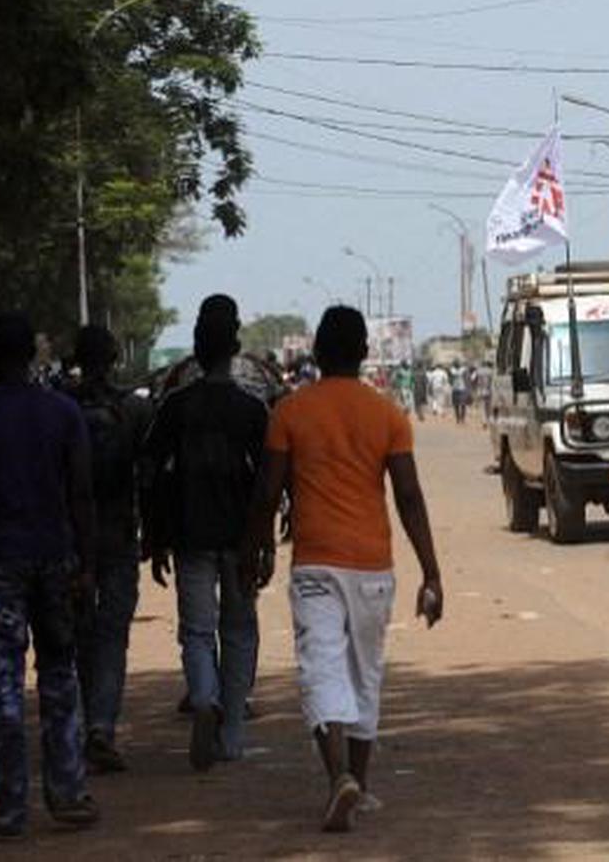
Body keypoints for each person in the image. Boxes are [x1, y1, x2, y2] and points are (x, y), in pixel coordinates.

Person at [242, 306, 443, 833]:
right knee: (364, 673)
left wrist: (256, 549)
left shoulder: (290, 411)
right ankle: (359, 781)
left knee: (321, 669)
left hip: (315, 563)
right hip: (373, 564)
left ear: (317, 351)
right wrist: (432, 573)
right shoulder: (387, 415)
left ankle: (338, 781)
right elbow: (409, 497)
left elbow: (267, 490)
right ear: (362, 353)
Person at [0, 313, 99, 841]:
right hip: (54, 557)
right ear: (34, 357)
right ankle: (67, 792)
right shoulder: (62, 413)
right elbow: (80, 495)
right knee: (60, 675)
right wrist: (87, 562)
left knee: (2, 684)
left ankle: (9, 807)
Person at [144, 295, 268, 771]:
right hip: (240, 536)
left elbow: (151, 472)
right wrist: (263, 541)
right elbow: (269, 480)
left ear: (195, 352)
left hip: (190, 533)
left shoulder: (175, 407)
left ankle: (202, 695)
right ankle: (232, 733)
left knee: (197, 630)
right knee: (238, 631)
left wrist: (154, 537)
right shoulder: (252, 409)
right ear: (234, 349)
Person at [68, 326, 152, 773]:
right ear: (117, 356)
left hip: (69, 540)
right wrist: (155, 536)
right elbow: (151, 475)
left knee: (79, 632)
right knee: (113, 634)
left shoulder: (61, 407)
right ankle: (101, 725)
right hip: (118, 534)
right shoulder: (135, 410)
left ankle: (83, 724)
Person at [449, 359, 470, 424]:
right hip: (458, 389)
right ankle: (459, 418)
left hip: (460, 389)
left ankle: (461, 418)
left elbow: (466, 378)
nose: (457, 365)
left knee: (461, 404)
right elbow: (450, 379)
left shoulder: (461, 370)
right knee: (458, 405)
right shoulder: (453, 370)